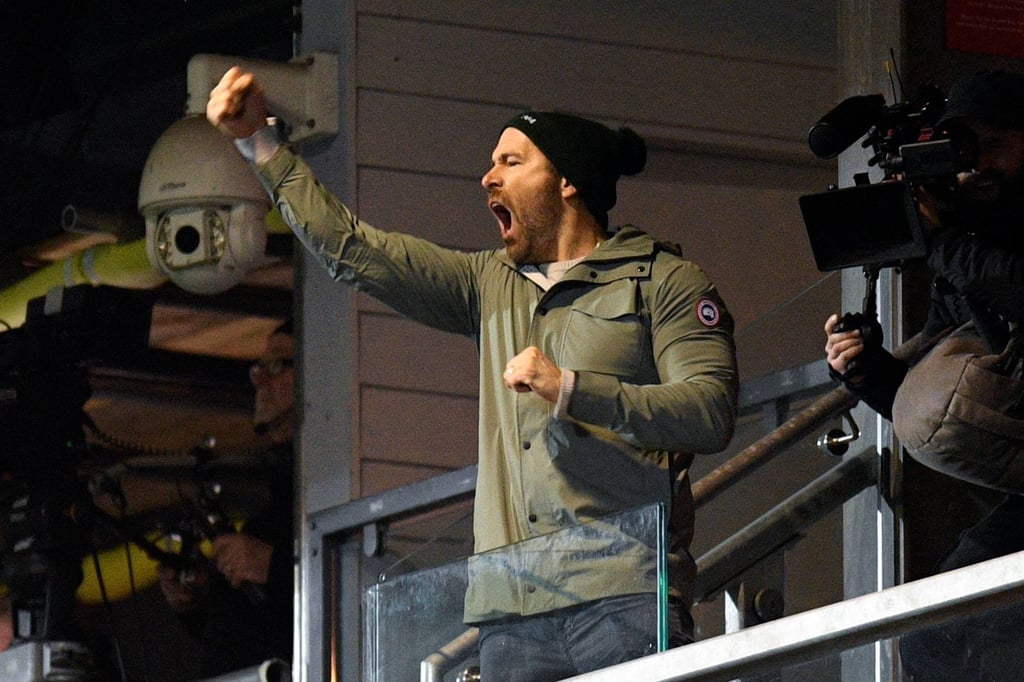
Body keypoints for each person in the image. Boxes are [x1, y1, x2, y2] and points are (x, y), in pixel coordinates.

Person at [207, 66, 738, 681]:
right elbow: (352, 250)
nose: (488, 177)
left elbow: (709, 410)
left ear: (567, 182)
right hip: (509, 612)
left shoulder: (664, 280)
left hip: (624, 597)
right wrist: (259, 143)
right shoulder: (488, 283)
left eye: (511, 162)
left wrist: (572, 390)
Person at [823, 69, 1024, 681]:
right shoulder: (967, 242)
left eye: (993, 146)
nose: (977, 166)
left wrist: (940, 243)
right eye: (965, 151)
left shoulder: (965, 246)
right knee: (932, 637)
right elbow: (943, 404)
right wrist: (870, 373)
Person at [157, 319, 295, 678]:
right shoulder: (274, 511)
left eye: (276, 366)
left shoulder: (340, 481)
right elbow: (248, 639)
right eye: (258, 369)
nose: (259, 380)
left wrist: (273, 566)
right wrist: (197, 602)